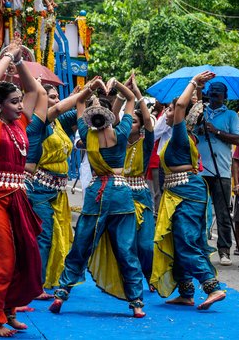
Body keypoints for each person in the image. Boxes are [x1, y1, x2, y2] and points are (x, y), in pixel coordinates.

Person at [50, 77, 146, 318]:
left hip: (95, 194)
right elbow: (132, 99)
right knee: (126, 250)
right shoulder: (123, 132)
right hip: (121, 195)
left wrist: (92, 87)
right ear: (111, 118)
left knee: (81, 245)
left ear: (91, 120)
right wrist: (119, 86)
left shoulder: (86, 133)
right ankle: (136, 303)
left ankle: (62, 292)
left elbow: (79, 101)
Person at [0, 40, 45, 336]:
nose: (19, 105)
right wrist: (6, 56)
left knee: (21, 256)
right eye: (12, 102)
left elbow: (35, 92)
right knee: (1, 260)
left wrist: (21, 63)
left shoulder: (20, 123)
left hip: (16, 196)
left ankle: (9, 310)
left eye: (18, 101)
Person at [150, 71, 226, 309]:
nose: (168, 113)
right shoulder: (175, 136)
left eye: (171, 110)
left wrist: (193, 83)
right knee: (177, 238)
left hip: (186, 193)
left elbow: (183, 104)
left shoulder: (181, 134)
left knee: (186, 239)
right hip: (177, 193)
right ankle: (186, 292)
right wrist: (199, 91)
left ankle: (211, 287)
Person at [24, 84, 79, 299]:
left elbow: (80, 112)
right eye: (50, 96)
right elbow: (57, 110)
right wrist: (82, 93)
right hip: (38, 190)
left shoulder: (59, 123)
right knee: (44, 236)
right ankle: (35, 286)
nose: (56, 100)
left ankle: (45, 278)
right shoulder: (40, 124)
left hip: (57, 191)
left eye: (57, 97)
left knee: (59, 235)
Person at [193, 81, 239, 265]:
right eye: (211, 91)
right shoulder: (200, 113)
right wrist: (199, 128)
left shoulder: (231, 115)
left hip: (221, 171)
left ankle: (224, 251)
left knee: (222, 213)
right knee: (197, 211)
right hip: (199, 170)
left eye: (218, 92)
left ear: (225, 96)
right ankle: (198, 248)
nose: (214, 94)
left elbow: (237, 140)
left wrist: (216, 131)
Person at [123, 76, 155, 281]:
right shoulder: (116, 142)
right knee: (125, 243)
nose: (130, 124)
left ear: (140, 125)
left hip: (141, 196)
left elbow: (150, 125)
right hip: (121, 195)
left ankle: (149, 274)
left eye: (134, 121)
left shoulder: (145, 143)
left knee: (145, 244)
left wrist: (138, 94)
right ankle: (127, 279)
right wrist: (124, 93)